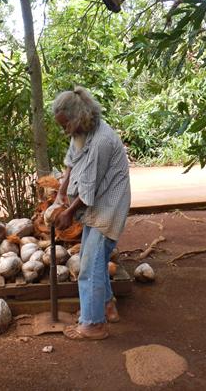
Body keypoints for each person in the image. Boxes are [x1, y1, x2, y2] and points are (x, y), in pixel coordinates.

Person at [52, 86, 131, 340]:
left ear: (78, 117)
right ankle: (107, 306)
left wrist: (67, 213)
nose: (65, 130)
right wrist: (60, 196)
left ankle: (93, 324)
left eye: (66, 125)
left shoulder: (101, 142)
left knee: (90, 265)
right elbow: (70, 164)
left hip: (108, 205)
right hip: (95, 204)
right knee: (92, 256)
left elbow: (88, 192)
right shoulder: (80, 132)